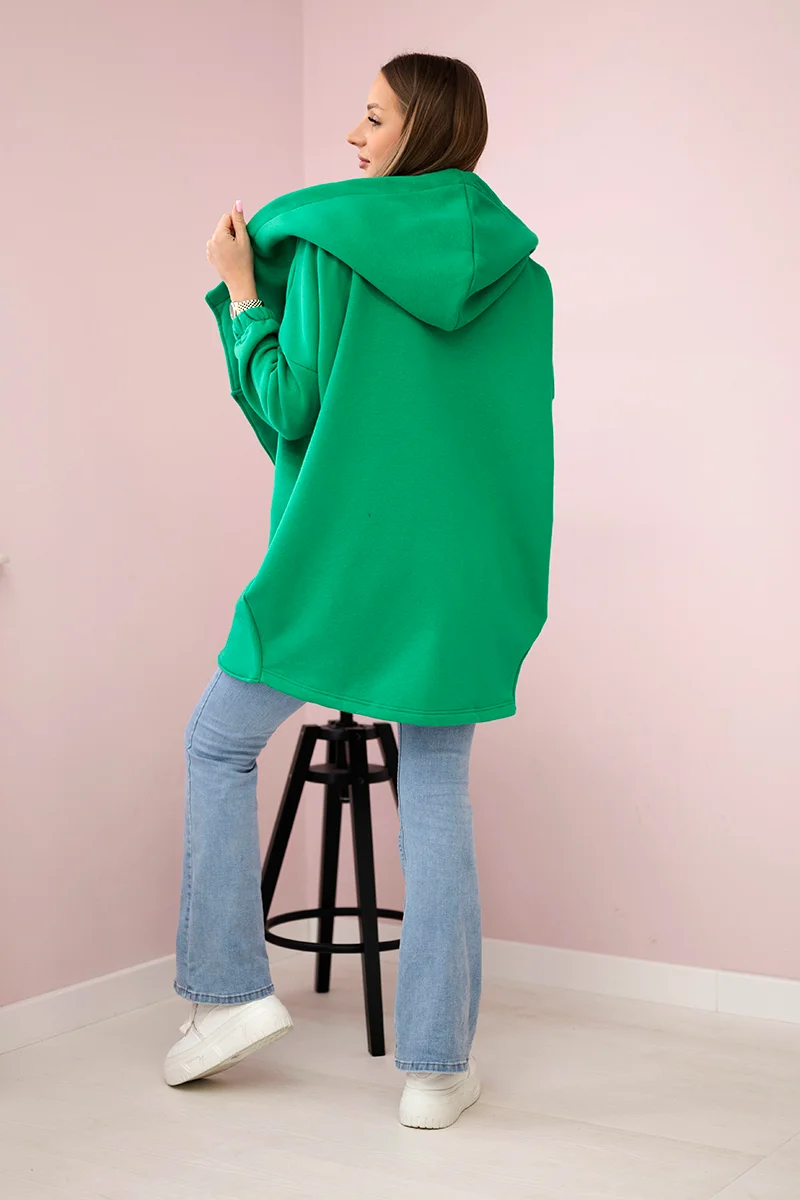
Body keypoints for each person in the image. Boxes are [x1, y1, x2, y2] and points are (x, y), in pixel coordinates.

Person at [163, 52, 554, 1131]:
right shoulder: (525, 282)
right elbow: (517, 441)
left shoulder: (335, 248)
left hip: (342, 561)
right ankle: (435, 1071)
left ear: (421, 129)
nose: (354, 137)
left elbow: (289, 406)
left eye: (373, 117)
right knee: (434, 791)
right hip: (460, 582)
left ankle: (229, 997)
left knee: (217, 744)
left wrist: (243, 295)